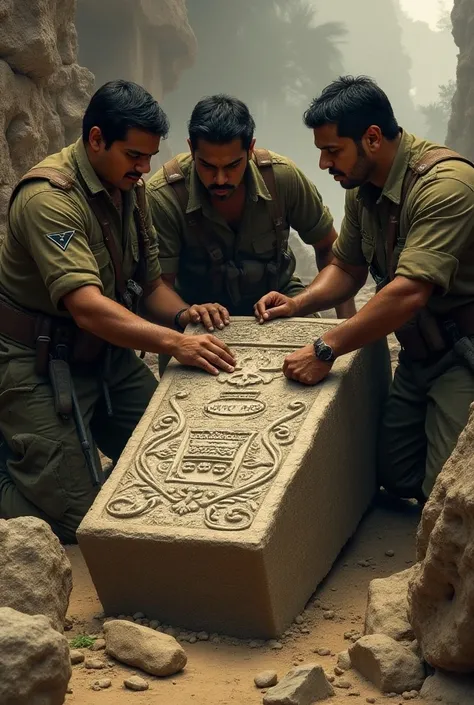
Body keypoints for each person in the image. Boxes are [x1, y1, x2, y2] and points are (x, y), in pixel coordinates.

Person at [0, 80, 235, 543]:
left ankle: (53, 458)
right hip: (38, 361)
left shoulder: (127, 187)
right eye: (134, 156)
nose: (144, 168)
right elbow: (87, 307)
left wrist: (186, 315)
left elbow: (149, 288)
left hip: (105, 356)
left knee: (175, 461)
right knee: (76, 521)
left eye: (149, 157)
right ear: (95, 140)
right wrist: (175, 343)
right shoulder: (48, 198)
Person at [254, 75, 474, 502]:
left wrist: (325, 348)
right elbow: (346, 267)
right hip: (418, 357)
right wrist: (299, 303)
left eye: (332, 151)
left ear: (372, 138)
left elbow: (410, 292)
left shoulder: (446, 185)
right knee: (391, 473)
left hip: (463, 353)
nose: (323, 164)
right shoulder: (363, 189)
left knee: (446, 498)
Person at [146, 94, 356, 335]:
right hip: (198, 313)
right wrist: (185, 314)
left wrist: (345, 327)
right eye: (208, 166)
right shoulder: (165, 196)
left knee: (316, 360)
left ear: (251, 149)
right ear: (192, 149)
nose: (220, 179)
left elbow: (329, 247)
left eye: (233, 166)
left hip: (279, 300)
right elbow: (157, 286)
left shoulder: (282, 179)